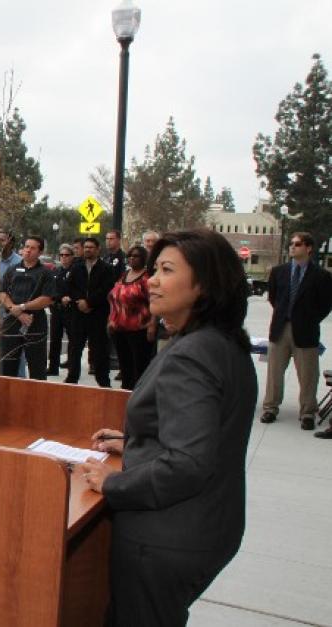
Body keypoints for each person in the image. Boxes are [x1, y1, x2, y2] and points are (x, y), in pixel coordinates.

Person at [80, 228, 257, 626]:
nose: (153, 280)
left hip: (164, 539)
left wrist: (112, 484)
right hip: (206, 527)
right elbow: (208, 432)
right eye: (154, 269)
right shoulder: (221, 343)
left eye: (166, 270)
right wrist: (137, 442)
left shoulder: (191, 356)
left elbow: (188, 463)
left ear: (204, 285)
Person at [261, 232, 332, 433]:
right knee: (274, 373)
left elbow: (325, 305)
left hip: (306, 331)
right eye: (291, 244)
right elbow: (274, 299)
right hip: (280, 329)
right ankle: (270, 408)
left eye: (297, 244)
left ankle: (307, 412)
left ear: (308, 248)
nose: (292, 247)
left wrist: (308, 319)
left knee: (308, 375)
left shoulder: (322, 276)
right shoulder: (278, 272)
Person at [0, 236, 56, 380]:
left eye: (33, 248)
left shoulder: (45, 273)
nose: (28, 250)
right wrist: (17, 312)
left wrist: (23, 307)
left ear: (40, 252)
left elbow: (47, 299)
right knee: (7, 365)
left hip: (35, 323)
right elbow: (2, 293)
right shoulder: (12, 270)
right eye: (26, 247)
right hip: (12, 322)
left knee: (37, 368)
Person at [64, 237, 115, 387]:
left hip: (98, 314)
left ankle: (103, 381)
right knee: (75, 347)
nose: (87, 250)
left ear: (98, 249)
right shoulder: (76, 267)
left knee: (99, 349)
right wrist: (79, 300)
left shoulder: (106, 268)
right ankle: (72, 377)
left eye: (91, 247)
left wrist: (90, 302)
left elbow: (107, 289)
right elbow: (70, 287)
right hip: (78, 314)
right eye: (85, 247)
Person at [108, 245, 156, 390]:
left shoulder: (147, 278)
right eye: (129, 256)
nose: (132, 258)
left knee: (139, 367)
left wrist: (152, 324)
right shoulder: (124, 275)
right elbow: (114, 297)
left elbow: (154, 302)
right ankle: (125, 395)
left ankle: (139, 397)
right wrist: (111, 319)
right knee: (125, 366)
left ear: (144, 258)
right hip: (120, 328)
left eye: (136, 256)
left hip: (139, 329)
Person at [47, 244, 74, 375]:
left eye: (67, 255)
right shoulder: (55, 271)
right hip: (57, 309)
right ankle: (53, 367)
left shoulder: (76, 271)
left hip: (70, 310)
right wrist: (57, 298)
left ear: (72, 257)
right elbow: (51, 290)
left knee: (73, 340)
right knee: (54, 339)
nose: (64, 258)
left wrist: (69, 297)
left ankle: (72, 367)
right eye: (61, 255)